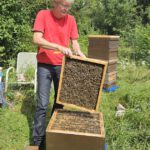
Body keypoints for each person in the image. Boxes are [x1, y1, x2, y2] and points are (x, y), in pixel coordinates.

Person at [32, 0, 85, 149]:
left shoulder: (71, 20)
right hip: (44, 65)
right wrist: (59, 47)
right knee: (42, 104)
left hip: (62, 65)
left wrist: (78, 51)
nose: (66, 9)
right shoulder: (43, 15)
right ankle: (38, 141)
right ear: (55, 3)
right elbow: (36, 39)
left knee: (59, 102)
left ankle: (54, 134)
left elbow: (74, 41)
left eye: (69, 6)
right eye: (64, 5)